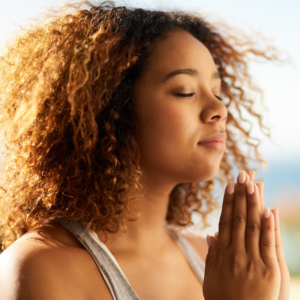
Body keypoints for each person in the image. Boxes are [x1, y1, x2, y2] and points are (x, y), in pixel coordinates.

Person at [0, 1, 290, 299]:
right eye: (184, 91)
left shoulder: (218, 261)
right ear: (111, 107)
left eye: (217, 92)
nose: (219, 109)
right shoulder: (40, 268)